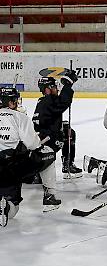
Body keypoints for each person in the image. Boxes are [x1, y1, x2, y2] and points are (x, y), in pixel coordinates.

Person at [0, 87, 59, 224]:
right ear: (11, 102)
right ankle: (50, 197)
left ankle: (4, 204)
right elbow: (33, 145)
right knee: (49, 153)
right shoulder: (20, 117)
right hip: (12, 167)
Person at [32, 70, 81, 179]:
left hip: (45, 137)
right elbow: (63, 103)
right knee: (68, 133)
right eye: (53, 86)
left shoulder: (45, 100)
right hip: (45, 140)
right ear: (47, 89)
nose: (57, 89)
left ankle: (67, 164)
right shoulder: (48, 100)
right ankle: (37, 170)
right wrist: (67, 85)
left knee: (69, 132)